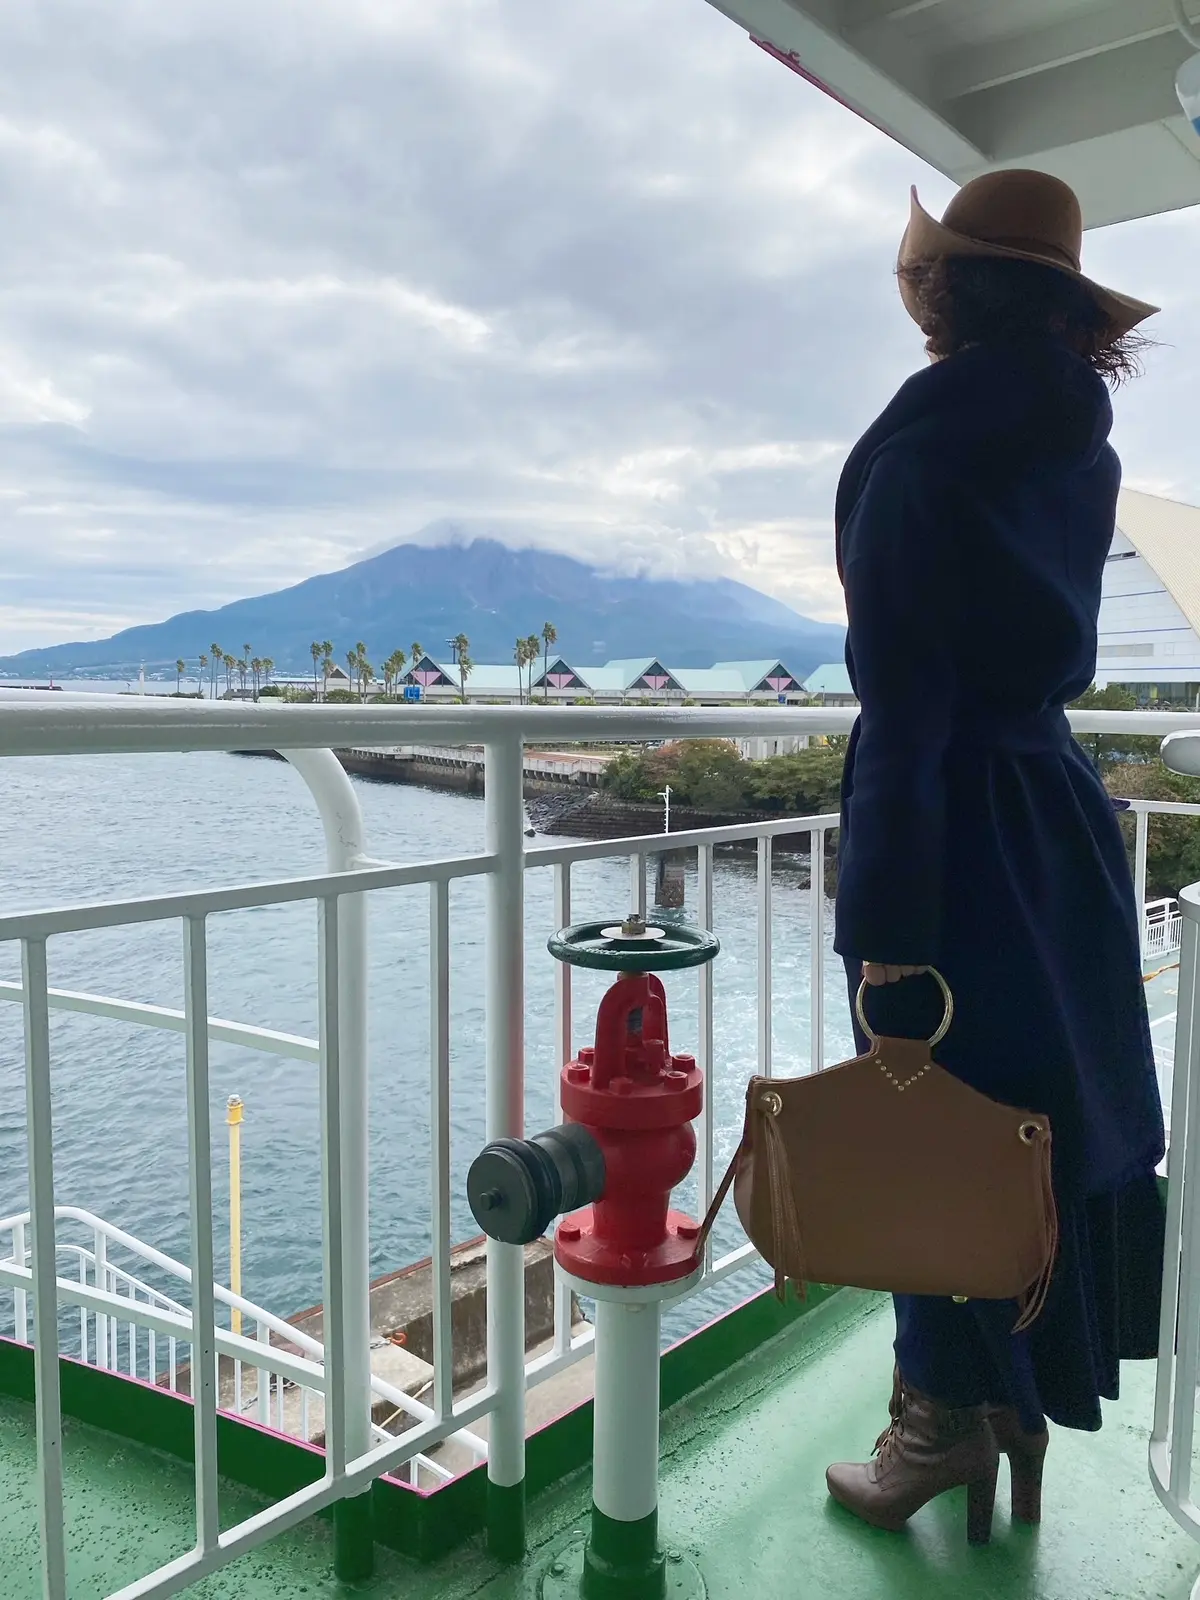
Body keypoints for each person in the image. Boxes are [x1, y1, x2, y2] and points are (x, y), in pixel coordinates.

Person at [823, 170, 1167, 1544]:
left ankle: (935, 1430)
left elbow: (905, 700)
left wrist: (884, 922)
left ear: (944, 291)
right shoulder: (1078, 443)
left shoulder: (923, 450)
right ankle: (1019, 1408)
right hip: (1055, 818)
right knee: (1031, 1128)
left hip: (954, 835)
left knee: (926, 1129)